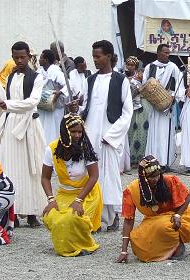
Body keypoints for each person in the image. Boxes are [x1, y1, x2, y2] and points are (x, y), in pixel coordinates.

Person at [73, 40, 133, 231]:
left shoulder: (121, 80)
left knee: (110, 176)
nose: (95, 60)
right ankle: (95, 216)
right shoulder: (89, 80)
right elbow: (85, 107)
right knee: (92, 175)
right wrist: (76, 108)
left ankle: (113, 215)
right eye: (94, 57)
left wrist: (112, 135)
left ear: (108, 56)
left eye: (98, 56)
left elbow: (127, 112)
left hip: (110, 135)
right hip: (90, 133)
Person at [0, 41, 46, 227]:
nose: (19, 60)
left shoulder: (37, 77)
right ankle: (13, 212)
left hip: (29, 126)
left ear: (29, 57)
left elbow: (32, 101)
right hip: (11, 125)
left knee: (32, 168)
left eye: (22, 57)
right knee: (10, 169)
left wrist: (8, 105)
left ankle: (33, 212)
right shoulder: (9, 77)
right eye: (16, 57)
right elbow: (6, 101)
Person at [41, 114, 102, 256]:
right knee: (51, 217)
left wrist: (78, 200)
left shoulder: (86, 146)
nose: (77, 135)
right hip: (64, 193)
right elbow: (45, 177)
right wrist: (51, 200)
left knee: (72, 217)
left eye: (80, 132)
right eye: (73, 131)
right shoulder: (51, 149)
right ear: (64, 131)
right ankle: (67, 244)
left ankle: (84, 245)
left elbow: (94, 177)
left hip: (86, 193)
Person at [117, 155, 190, 263]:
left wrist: (178, 215)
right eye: (151, 177)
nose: (156, 179)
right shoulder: (132, 190)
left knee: (165, 226)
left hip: (176, 217)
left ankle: (176, 246)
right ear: (143, 177)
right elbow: (128, 220)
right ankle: (165, 249)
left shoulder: (169, 181)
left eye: (158, 175)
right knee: (136, 239)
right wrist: (124, 251)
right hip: (153, 220)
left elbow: (188, 196)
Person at [142, 44, 183, 170]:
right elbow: (144, 84)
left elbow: (179, 84)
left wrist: (174, 97)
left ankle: (165, 162)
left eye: (168, 53)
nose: (167, 55)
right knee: (154, 133)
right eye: (165, 52)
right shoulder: (150, 67)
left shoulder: (173, 67)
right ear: (158, 53)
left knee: (166, 134)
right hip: (154, 107)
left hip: (167, 107)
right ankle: (153, 161)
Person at [37, 49, 67, 145]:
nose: (39, 59)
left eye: (41, 57)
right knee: (42, 131)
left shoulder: (56, 72)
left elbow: (68, 85)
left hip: (55, 109)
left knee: (53, 132)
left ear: (46, 60)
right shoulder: (39, 73)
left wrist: (59, 92)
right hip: (42, 108)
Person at [125, 56, 150, 167]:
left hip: (141, 107)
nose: (129, 67)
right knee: (130, 131)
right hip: (129, 107)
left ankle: (140, 156)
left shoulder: (141, 77)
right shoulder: (122, 76)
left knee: (141, 130)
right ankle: (130, 157)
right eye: (128, 64)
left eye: (132, 65)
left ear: (136, 66)